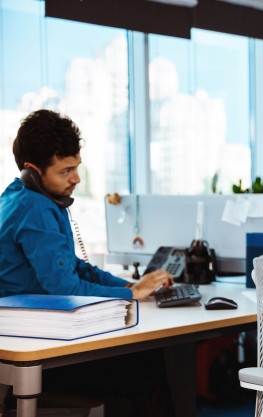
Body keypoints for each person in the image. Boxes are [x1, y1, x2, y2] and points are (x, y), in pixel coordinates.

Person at [0, 109, 175, 417]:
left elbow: (77, 268)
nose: (77, 178)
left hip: (34, 338)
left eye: (77, 167)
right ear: (32, 171)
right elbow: (66, 287)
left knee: (149, 356)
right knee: (148, 365)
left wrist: (130, 286)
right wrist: (131, 295)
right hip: (36, 354)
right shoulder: (36, 209)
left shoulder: (21, 197)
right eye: (65, 170)